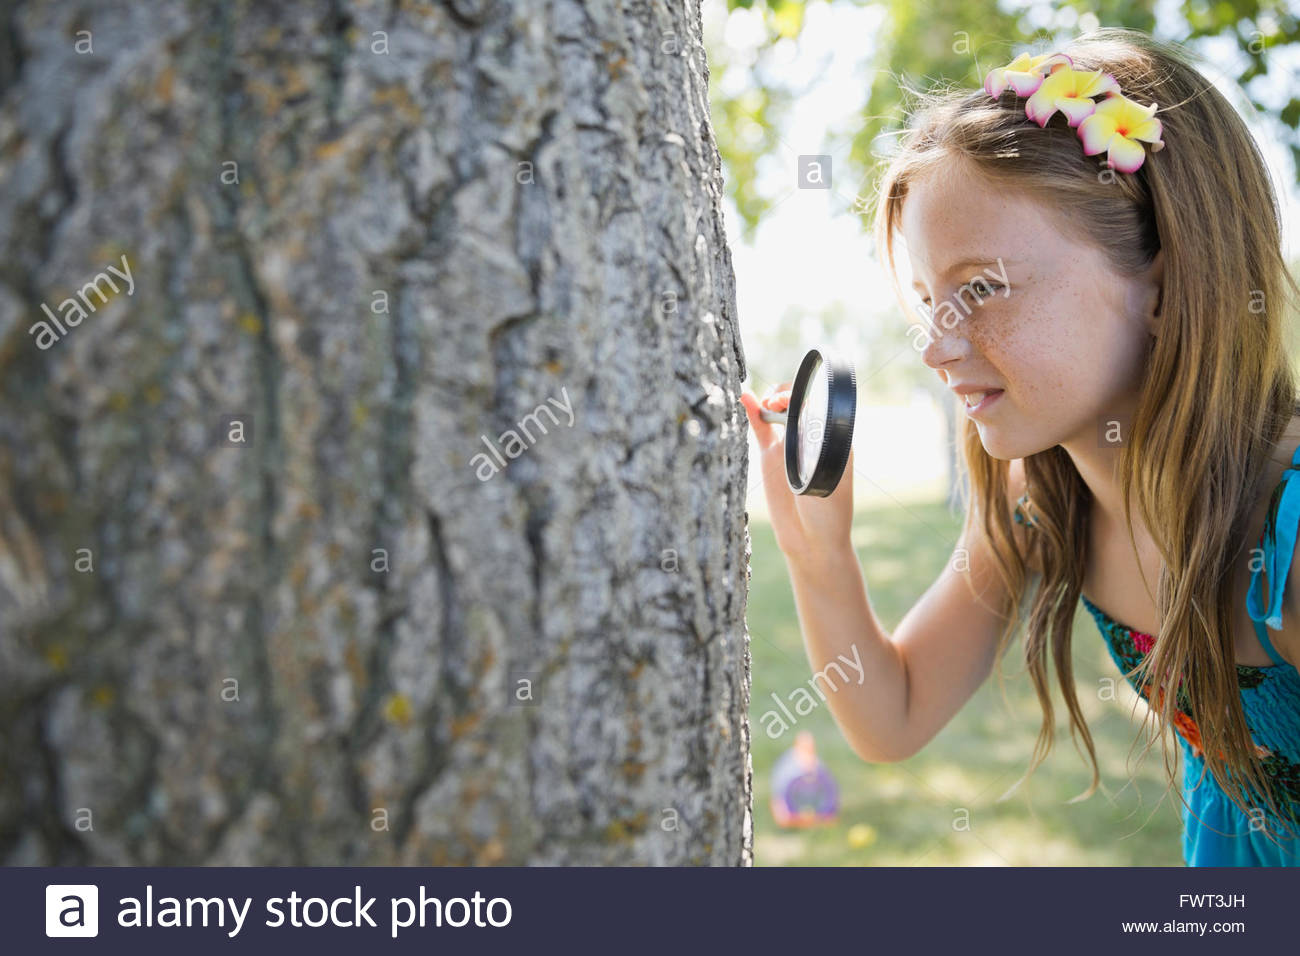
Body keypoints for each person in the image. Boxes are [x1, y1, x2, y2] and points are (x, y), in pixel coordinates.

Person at [740, 27, 1300, 866]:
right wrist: (817, 551)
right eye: (930, 300)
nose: (935, 345)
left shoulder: (1283, 545)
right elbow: (892, 713)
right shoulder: (1039, 500)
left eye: (982, 288)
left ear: (1163, 282)